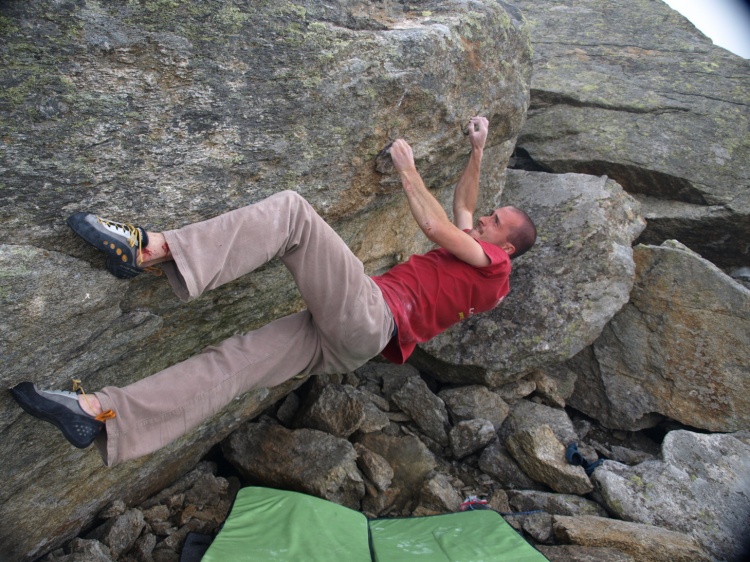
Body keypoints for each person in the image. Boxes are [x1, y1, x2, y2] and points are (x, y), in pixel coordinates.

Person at [11, 116, 536, 467]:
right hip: (354, 343)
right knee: (230, 364)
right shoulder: (488, 263)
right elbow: (465, 209)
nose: (483, 221)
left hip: (373, 316)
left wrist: (408, 169)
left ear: (506, 250)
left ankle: (150, 250)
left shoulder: (492, 266)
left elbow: (441, 227)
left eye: (495, 223)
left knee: (292, 214)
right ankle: (100, 415)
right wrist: (478, 150)